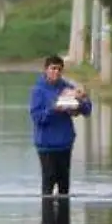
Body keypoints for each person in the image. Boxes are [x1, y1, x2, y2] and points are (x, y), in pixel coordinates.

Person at [29, 55, 91, 197]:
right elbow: (37, 118)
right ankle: (48, 216)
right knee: (49, 180)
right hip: (46, 144)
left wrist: (80, 101)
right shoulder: (38, 90)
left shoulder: (67, 88)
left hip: (64, 143)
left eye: (59, 69)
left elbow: (87, 110)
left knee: (64, 185)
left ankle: (63, 218)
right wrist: (54, 108)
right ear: (46, 70)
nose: (56, 72)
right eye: (53, 68)